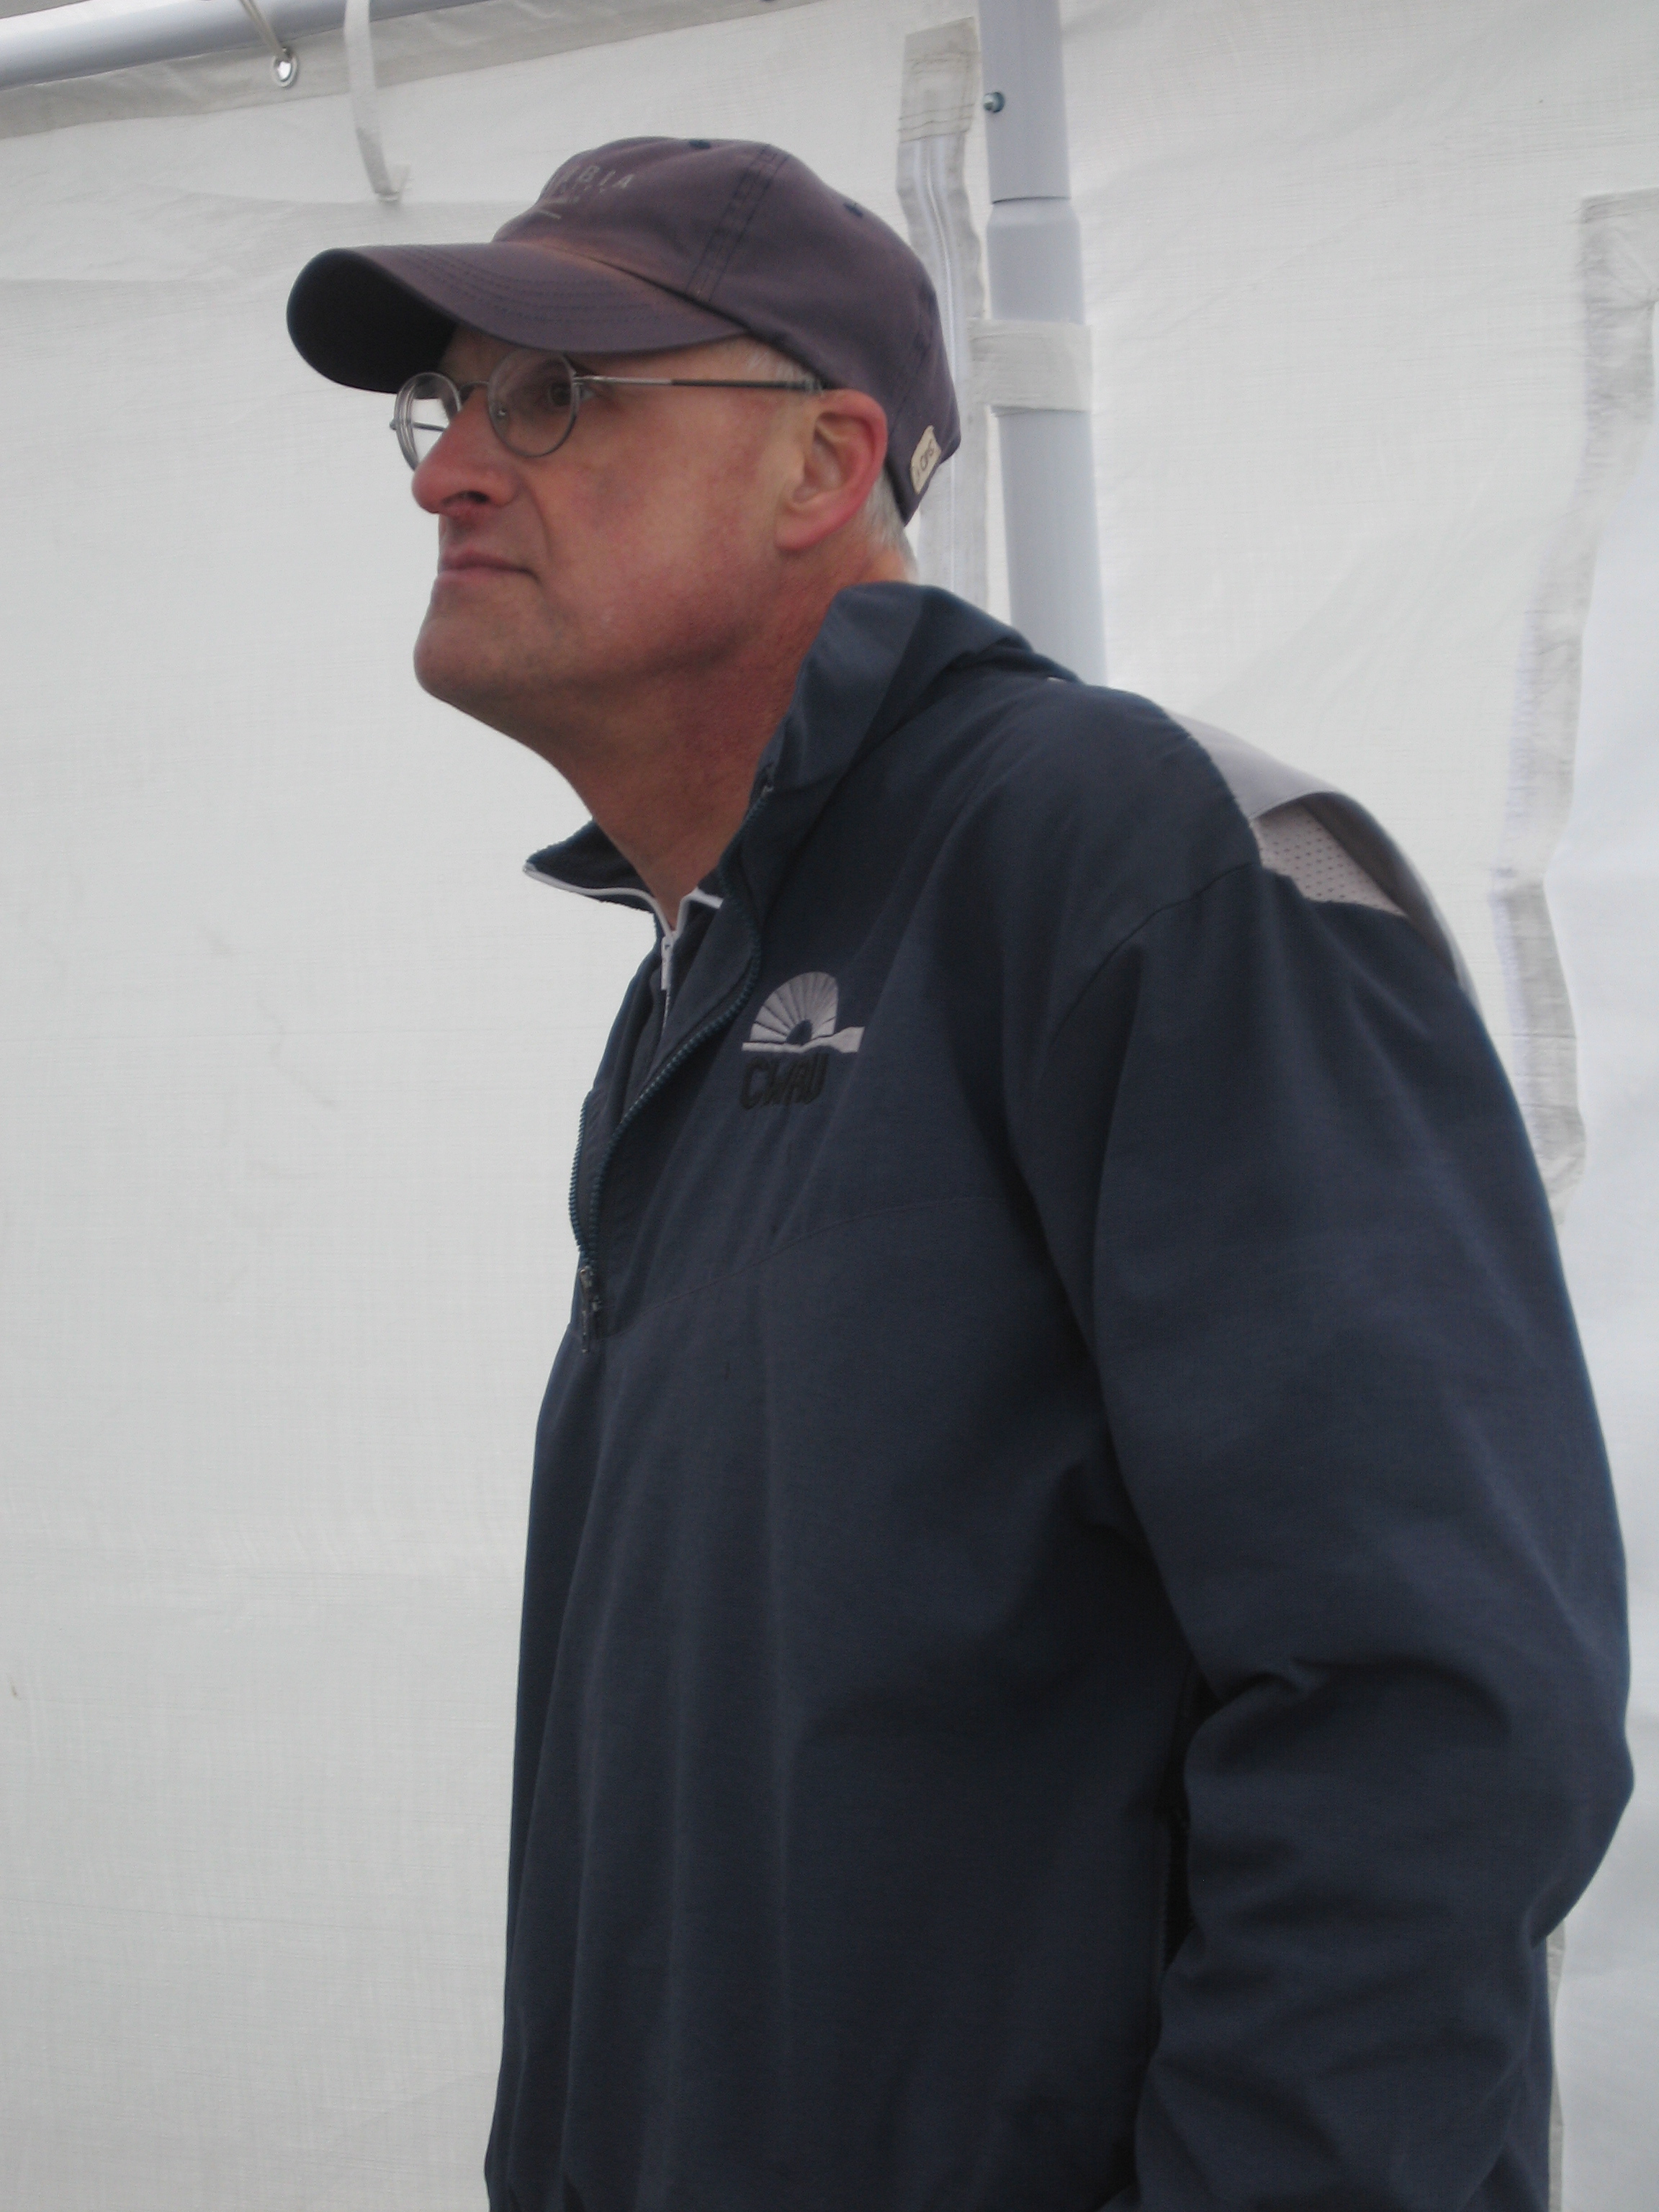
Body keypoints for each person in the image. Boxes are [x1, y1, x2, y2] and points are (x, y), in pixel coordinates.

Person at [287, 137, 1631, 2212]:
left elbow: (1429, 1712)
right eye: (441, 405)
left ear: (824, 463)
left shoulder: (1127, 856)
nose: (448, 473)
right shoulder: (707, 984)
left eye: (548, 397)